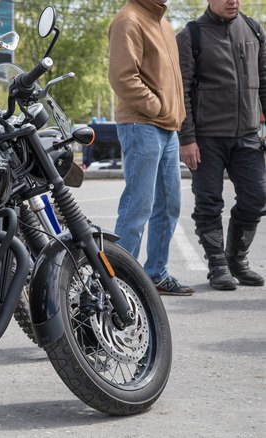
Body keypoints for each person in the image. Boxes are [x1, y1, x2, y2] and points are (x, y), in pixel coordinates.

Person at [176, 0, 266, 290]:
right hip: (206, 138)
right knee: (208, 203)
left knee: (256, 198)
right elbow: (183, 91)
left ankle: (236, 260)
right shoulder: (191, 35)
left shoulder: (254, 29)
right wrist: (187, 138)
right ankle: (217, 267)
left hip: (248, 134)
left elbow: (264, 82)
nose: (233, 1)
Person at [108, 0, 195, 296]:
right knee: (138, 206)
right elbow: (122, 77)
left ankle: (155, 274)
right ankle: (116, 283)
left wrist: (174, 115)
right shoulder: (129, 19)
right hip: (141, 124)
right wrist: (157, 107)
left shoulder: (163, 23)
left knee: (170, 205)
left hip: (167, 127)